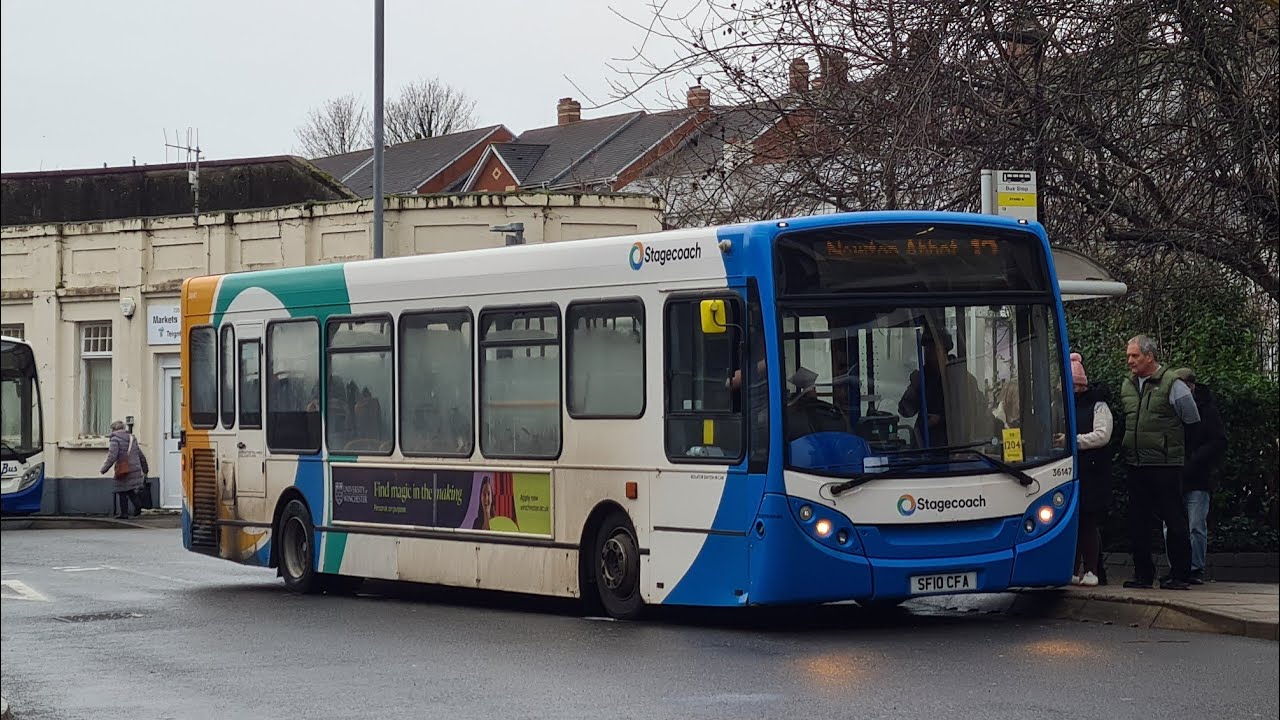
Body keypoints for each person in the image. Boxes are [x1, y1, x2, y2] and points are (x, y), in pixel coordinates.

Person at [1119, 335, 1200, 590]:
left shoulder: (1173, 384)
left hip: (1165, 464)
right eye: (1129, 355)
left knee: (1174, 520)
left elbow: (1192, 420)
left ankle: (1180, 574)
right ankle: (1143, 574)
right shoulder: (1128, 384)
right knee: (1137, 521)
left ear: (1149, 356)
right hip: (1136, 463)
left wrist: (1179, 454)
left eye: (1134, 355)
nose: (1129, 360)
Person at [1169, 367, 1227, 584]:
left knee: (1195, 524)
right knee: (1173, 525)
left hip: (1198, 475)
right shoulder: (1172, 407)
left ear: (1191, 386)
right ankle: (1178, 567)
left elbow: (1218, 441)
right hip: (1176, 473)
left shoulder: (1207, 410)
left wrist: (1194, 460)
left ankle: (1195, 568)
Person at [1064, 353, 1113, 587]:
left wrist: (1072, 441)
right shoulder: (1064, 403)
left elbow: (1102, 435)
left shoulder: (1098, 405)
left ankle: (1091, 570)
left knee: (1087, 522)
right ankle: (1072, 569)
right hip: (1072, 469)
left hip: (1092, 471)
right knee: (1073, 521)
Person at [897, 327, 984, 448]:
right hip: (923, 448)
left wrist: (941, 419)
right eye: (927, 349)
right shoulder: (923, 378)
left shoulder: (963, 379)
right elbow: (905, 411)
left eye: (933, 348)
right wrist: (914, 388)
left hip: (954, 449)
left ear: (944, 350)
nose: (929, 354)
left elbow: (972, 415)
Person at [99, 420, 149, 519]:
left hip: (123, 469)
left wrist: (104, 469)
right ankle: (138, 506)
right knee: (129, 490)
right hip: (135, 469)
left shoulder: (115, 440)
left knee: (121, 491)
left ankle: (124, 513)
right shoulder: (131, 438)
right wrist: (145, 468)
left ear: (113, 429)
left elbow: (112, 457)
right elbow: (140, 454)